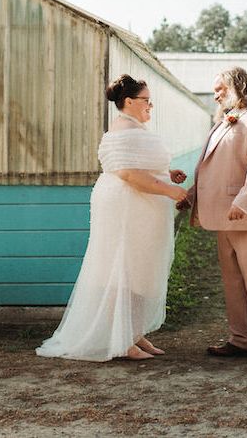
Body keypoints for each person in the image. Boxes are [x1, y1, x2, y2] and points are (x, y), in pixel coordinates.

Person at [37, 74, 189, 362]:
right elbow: (129, 174)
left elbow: (136, 165)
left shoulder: (131, 128)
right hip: (125, 210)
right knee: (121, 270)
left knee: (138, 271)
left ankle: (132, 331)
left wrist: (165, 173)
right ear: (129, 102)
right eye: (146, 100)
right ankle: (118, 340)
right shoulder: (123, 131)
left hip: (138, 208)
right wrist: (172, 190)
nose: (150, 106)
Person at [178, 67, 247, 366]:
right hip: (223, 215)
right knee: (232, 280)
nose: (216, 96)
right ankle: (241, 340)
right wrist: (191, 194)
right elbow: (210, 167)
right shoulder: (223, 121)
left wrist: (244, 201)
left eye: (220, 90)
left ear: (238, 86)